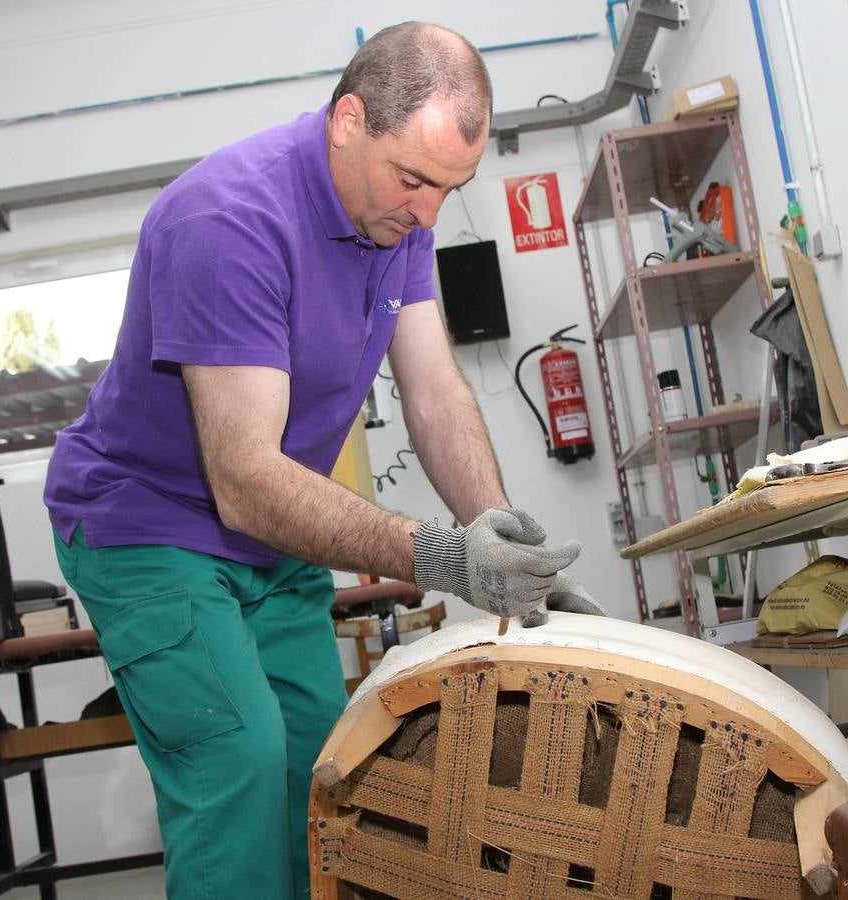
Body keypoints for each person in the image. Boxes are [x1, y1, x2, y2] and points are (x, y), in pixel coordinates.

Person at [44, 20, 602, 900]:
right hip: (149, 525)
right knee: (241, 761)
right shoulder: (228, 223)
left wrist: (501, 538)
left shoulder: (396, 215)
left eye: (449, 190)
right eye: (414, 179)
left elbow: (434, 390)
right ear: (348, 120)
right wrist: (453, 561)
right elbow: (245, 483)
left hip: (268, 546)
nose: (427, 214)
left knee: (326, 771)